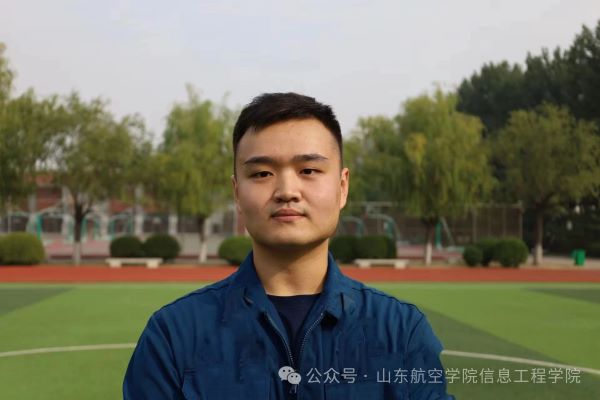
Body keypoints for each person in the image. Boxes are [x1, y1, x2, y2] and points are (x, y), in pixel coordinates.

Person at [123, 92, 454, 399]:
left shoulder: (400, 331)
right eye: (262, 174)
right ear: (237, 193)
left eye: (308, 170)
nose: (286, 191)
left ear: (342, 187)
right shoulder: (174, 335)